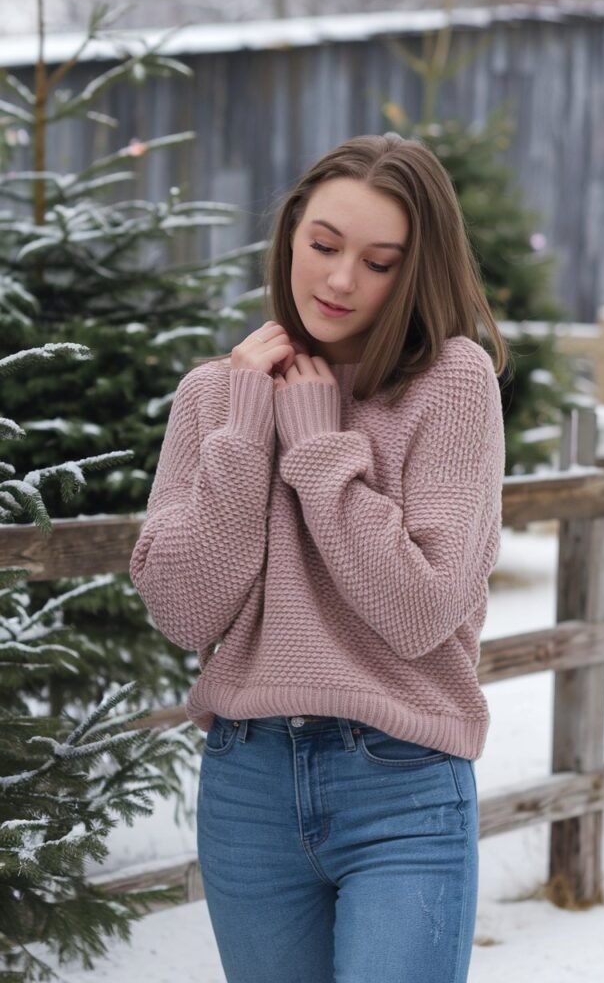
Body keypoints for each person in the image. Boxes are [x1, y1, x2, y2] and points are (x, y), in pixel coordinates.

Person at [129, 132, 509, 983]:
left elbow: (420, 610)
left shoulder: (451, 382)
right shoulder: (213, 394)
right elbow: (185, 612)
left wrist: (317, 448)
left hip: (401, 783)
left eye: (379, 262)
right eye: (324, 246)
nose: (340, 281)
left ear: (416, 272)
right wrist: (242, 428)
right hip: (247, 783)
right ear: (291, 232)